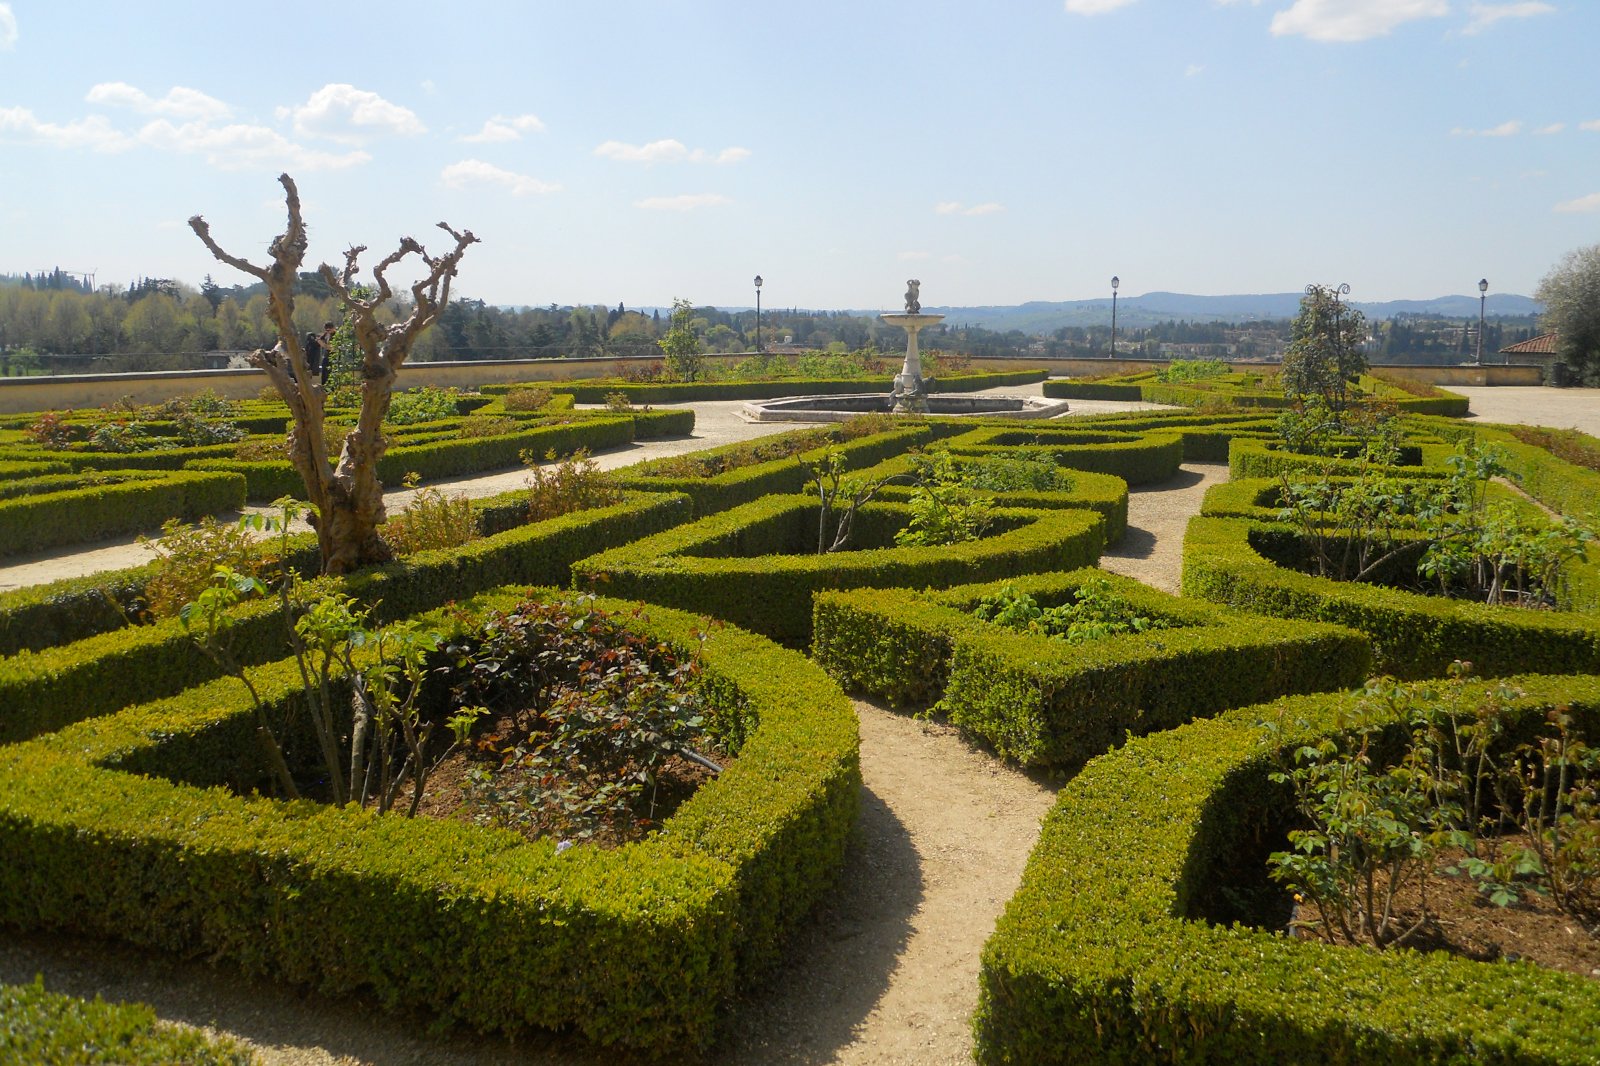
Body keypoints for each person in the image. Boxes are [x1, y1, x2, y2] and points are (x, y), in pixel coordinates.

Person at [303, 322, 336, 388]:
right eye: (326, 330)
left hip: (333, 356)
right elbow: (319, 339)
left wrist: (323, 345)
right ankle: (324, 386)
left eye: (329, 330)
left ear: (333, 328)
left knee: (330, 372)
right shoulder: (326, 334)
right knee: (324, 372)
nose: (327, 331)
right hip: (326, 355)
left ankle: (331, 387)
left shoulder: (336, 335)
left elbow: (333, 347)